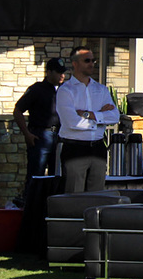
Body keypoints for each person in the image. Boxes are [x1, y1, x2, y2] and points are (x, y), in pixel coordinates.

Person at [54, 46, 120, 193]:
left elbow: (115, 117)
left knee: (96, 196)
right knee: (73, 196)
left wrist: (89, 114)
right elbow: (72, 122)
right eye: (87, 60)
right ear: (75, 63)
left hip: (97, 148)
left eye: (93, 60)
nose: (91, 64)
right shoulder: (66, 90)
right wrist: (100, 119)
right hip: (74, 148)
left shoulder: (101, 89)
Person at [13, 56, 65, 202]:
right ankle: (31, 205)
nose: (62, 75)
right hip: (41, 135)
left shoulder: (64, 90)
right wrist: (27, 134)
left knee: (58, 175)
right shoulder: (37, 89)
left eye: (63, 72)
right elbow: (18, 110)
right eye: (58, 72)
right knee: (36, 175)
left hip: (59, 136)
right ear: (49, 72)